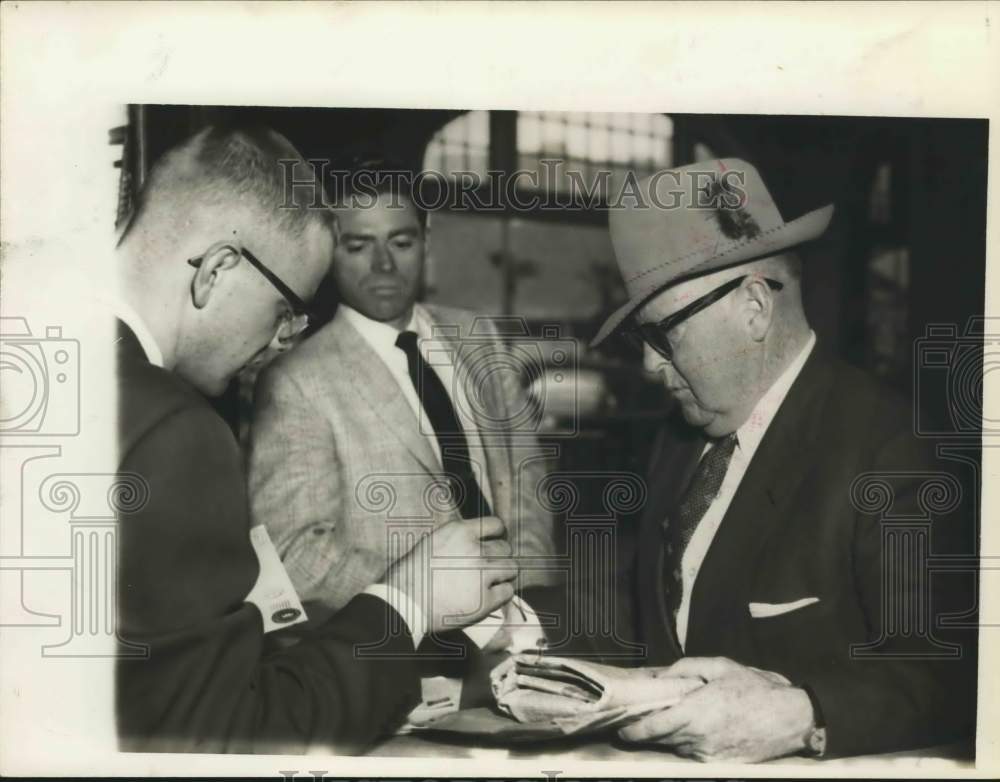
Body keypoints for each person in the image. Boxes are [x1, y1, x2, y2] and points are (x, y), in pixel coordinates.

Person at [114, 126, 518, 754]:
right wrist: (409, 601)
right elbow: (228, 738)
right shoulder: (176, 430)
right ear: (217, 269)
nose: (282, 340)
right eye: (284, 309)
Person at [590, 159, 976, 761]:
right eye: (638, 339)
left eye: (663, 335)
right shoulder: (681, 437)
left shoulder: (891, 449)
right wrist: (514, 623)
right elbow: (644, 616)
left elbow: (951, 676)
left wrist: (804, 716)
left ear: (754, 307)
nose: (648, 365)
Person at [247, 164, 558, 644]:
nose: (384, 265)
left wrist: (526, 605)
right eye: (358, 246)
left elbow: (526, 478)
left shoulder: (479, 336)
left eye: (401, 242)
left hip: (523, 633)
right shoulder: (296, 380)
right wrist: (451, 611)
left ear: (426, 240)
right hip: (406, 652)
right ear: (328, 251)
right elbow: (297, 553)